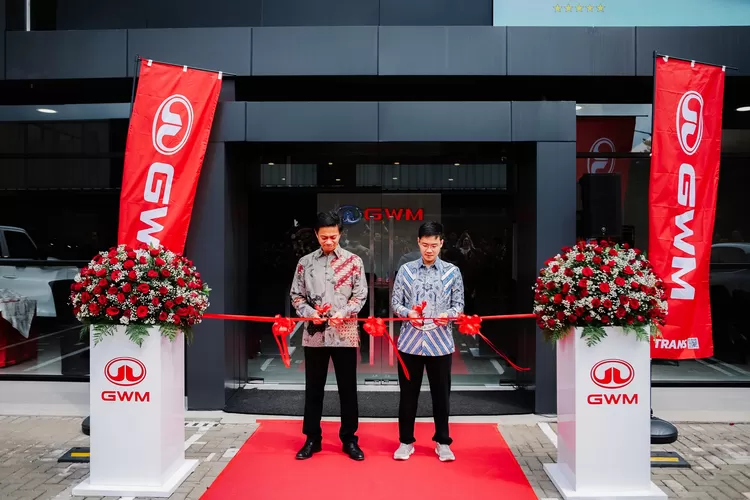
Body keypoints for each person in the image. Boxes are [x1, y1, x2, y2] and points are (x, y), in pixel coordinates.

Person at [290, 211, 368, 461]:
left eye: (333, 236)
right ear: (316, 234)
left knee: (348, 388)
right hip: (315, 333)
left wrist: (344, 313)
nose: (329, 241)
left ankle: (350, 439)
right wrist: (310, 313)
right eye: (324, 237)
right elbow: (296, 296)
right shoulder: (305, 263)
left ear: (340, 234)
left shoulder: (353, 261)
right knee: (314, 388)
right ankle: (312, 438)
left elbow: (360, 295)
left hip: (344, 332)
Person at [390, 221, 465, 462]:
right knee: (407, 395)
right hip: (410, 343)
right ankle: (405, 441)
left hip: (440, 343)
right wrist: (407, 313)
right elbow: (395, 303)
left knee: (441, 396)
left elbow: (459, 305)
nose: (429, 250)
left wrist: (449, 315)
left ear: (441, 243)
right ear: (418, 243)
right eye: (425, 245)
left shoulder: (452, 272)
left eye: (434, 245)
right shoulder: (406, 270)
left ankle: (443, 442)